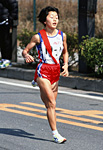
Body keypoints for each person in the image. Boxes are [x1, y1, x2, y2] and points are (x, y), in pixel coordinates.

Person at [22, 6, 69, 144]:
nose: (55, 19)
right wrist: (27, 55)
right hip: (44, 70)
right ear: (44, 20)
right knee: (52, 104)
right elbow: (25, 50)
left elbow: (65, 52)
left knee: (48, 104)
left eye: (57, 17)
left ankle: (38, 83)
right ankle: (56, 134)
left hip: (56, 70)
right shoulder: (38, 36)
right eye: (51, 17)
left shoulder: (62, 35)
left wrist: (65, 65)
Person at [0, 0, 18, 69]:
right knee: (2, 41)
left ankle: (7, 59)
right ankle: (3, 59)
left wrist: (11, 18)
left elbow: (13, 5)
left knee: (5, 40)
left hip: (4, 20)